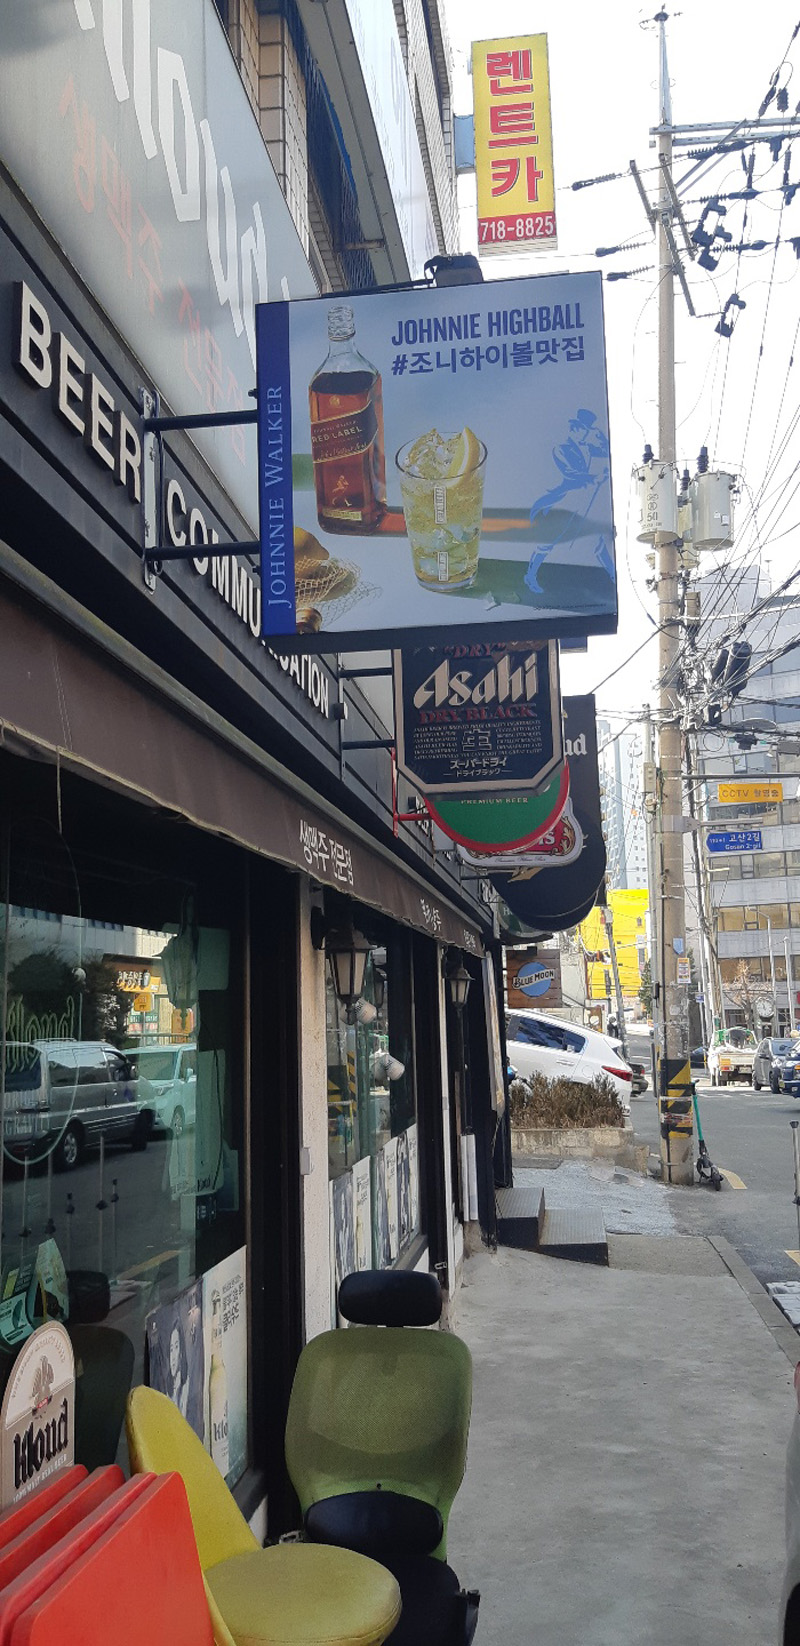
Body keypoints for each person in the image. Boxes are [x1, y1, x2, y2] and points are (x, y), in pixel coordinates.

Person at [168, 1315, 190, 1418]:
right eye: (171, 1349)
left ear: (181, 1353)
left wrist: (176, 1393)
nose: (173, 1356)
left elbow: (180, 1419)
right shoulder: (168, 1384)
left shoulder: (185, 1383)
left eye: (176, 1347)